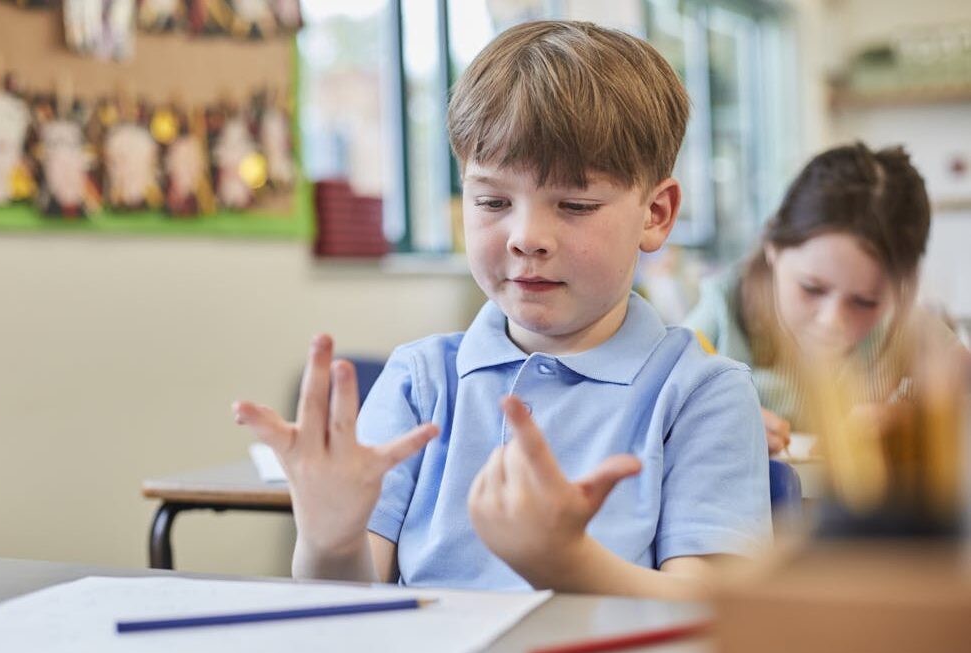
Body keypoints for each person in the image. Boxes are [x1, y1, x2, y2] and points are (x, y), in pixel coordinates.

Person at [235, 20, 771, 599]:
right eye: (492, 200)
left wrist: (565, 564)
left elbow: (715, 613)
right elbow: (344, 602)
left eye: (574, 204)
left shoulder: (701, 392)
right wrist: (329, 541)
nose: (526, 237)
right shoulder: (421, 381)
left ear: (656, 214)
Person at [683, 143, 941, 453]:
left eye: (864, 301)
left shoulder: (904, 326)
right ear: (773, 248)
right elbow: (653, 410)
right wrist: (711, 420)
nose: (831, 321)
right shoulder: (723, 311)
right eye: (811, 289)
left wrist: (913, 419)